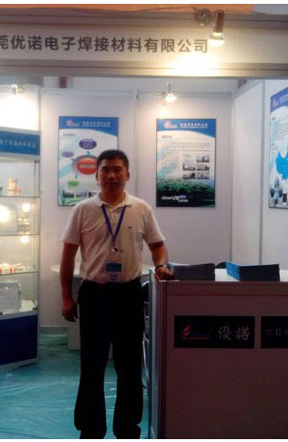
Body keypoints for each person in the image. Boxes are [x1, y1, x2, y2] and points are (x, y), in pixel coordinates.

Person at [59, 149, 173, 438]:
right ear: (97, 175)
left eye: (117, 169)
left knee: (129, 366)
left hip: (128, 295)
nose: (111, 175)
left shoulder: (141, 208)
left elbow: (158, 245)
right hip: (94, 295)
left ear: (127, 174)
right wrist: (66, 296)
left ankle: (127, 428)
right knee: (92, 366)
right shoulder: (82, 209)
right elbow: (68, 255)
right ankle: (90, 429)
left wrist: (161, 265)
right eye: (105, 170)